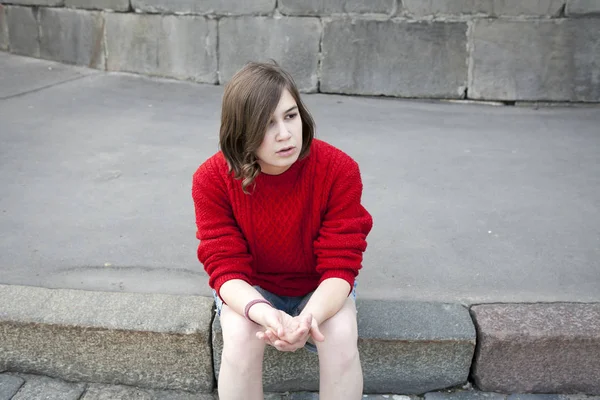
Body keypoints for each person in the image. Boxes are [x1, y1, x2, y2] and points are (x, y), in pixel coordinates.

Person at [192, 61, 373, 400]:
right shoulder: (212, 179)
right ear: (241, 131)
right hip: (252, 287)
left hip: (319, 286)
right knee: (241, 338)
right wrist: (265, 314)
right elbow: (224, 266)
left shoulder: (339, 170)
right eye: (267, 123)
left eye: (290, 116)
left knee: (342, 335)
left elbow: (341, 264)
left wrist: (306, 320)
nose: (285, 134)